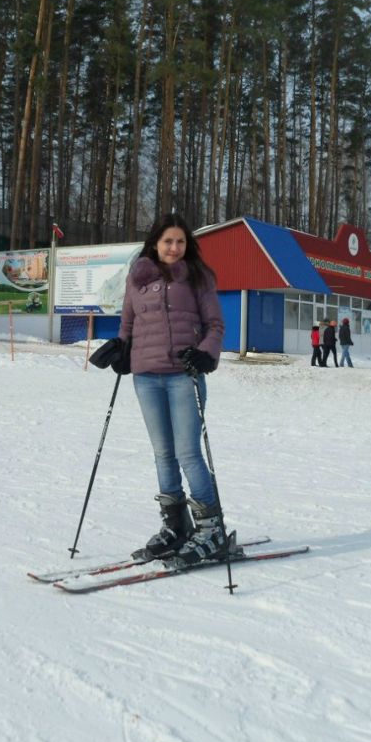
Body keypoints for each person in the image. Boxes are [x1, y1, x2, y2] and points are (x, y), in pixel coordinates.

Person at [89, 212, 227, 566]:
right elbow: (127, 324)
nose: (175, 248)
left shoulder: (198, 276)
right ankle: (176, 526)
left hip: (185, 375)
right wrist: (121, 350)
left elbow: (214, 325)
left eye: (181, 241)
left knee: (187, 453)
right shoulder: (138, 278)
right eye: (168, 241)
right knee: (162, 453)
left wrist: (206, 354)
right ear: (155, 242)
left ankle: (211, 530)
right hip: (146, 377)